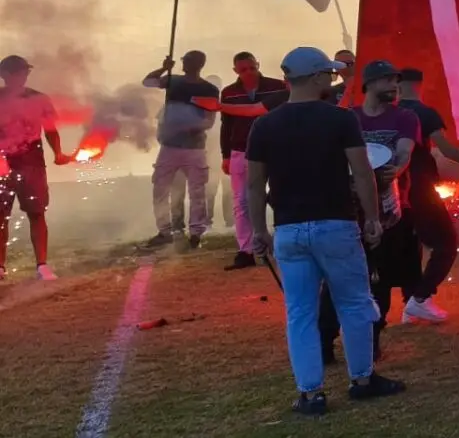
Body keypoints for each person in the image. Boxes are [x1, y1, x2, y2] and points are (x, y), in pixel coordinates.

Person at [245, 47, 404, 415]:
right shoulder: (340, 119)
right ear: (315, 77)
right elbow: (362, 171)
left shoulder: (264, 125)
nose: (332, 79)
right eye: (328, 74)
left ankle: (310, 393)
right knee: (353, 302)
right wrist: (372, 217)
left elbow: (254, 185)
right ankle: (362, 379)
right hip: (336, 225)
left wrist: (258, 230)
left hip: (289, 229)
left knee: (300, 311)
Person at [318, 61, 421, 358]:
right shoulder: (348, 118)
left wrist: (396, 170)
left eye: (396, 80)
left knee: (380, 279)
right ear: (369, 84)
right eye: (387, 80)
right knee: (338, 276)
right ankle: (325, 341)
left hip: (389, 210)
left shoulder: (405, 117)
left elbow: (404, 152)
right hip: (348, 210)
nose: (394, 85)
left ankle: (371, 342)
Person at [395, 68, 459, 322]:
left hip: (393, 190)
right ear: (421, 84)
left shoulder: (389, 113)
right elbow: (449, 150)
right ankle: (420, 298)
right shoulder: (424, 114)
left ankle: (410, 303)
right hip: (419, 189)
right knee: (446, 243)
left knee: (411, 246)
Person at [0, 55, 72, 280]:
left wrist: (58, 153)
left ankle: (42, 265)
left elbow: (50, 129)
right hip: (2, 161)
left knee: (37, 212)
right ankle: (0, 267)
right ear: (5, 75)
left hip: (32, 161)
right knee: (0, 215)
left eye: (24, 72)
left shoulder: (39, 99)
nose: (21, 76)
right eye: (16, 72)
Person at [214, 52, 288, 269]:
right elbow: (226, 125)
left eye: (251, 68)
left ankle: (280, 244)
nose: (248, 73)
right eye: (243, 69)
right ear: (235, 71)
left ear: (258, 65)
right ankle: (246, 250)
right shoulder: (229, 92)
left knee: (280, 196)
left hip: (275, 148)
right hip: (241, 150)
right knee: (242, 202)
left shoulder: (277, 87)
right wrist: (226, 155)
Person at [141, 51, 220, 249]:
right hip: (170, 146)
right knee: (160, 188)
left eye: (189, 61)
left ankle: (195, 233)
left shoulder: (208, 89)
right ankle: (164, 230)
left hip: (194, 148)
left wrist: (189, 127)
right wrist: (164, 68)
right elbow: (148, 82)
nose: (185, 64)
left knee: (196, 191)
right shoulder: (172, 81)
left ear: (199, 64)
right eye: (185, 61)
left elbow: (209, 120)